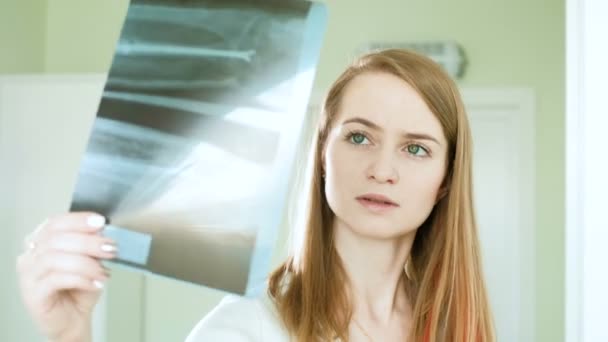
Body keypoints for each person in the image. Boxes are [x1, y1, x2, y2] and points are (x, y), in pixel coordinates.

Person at [16, 49, 495, 342]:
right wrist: (70, 337)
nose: (382, 169)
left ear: (446, 180)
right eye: (358, 137)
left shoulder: (455, 323)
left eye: (415, 149)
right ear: (322, 154)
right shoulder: (248, 329)